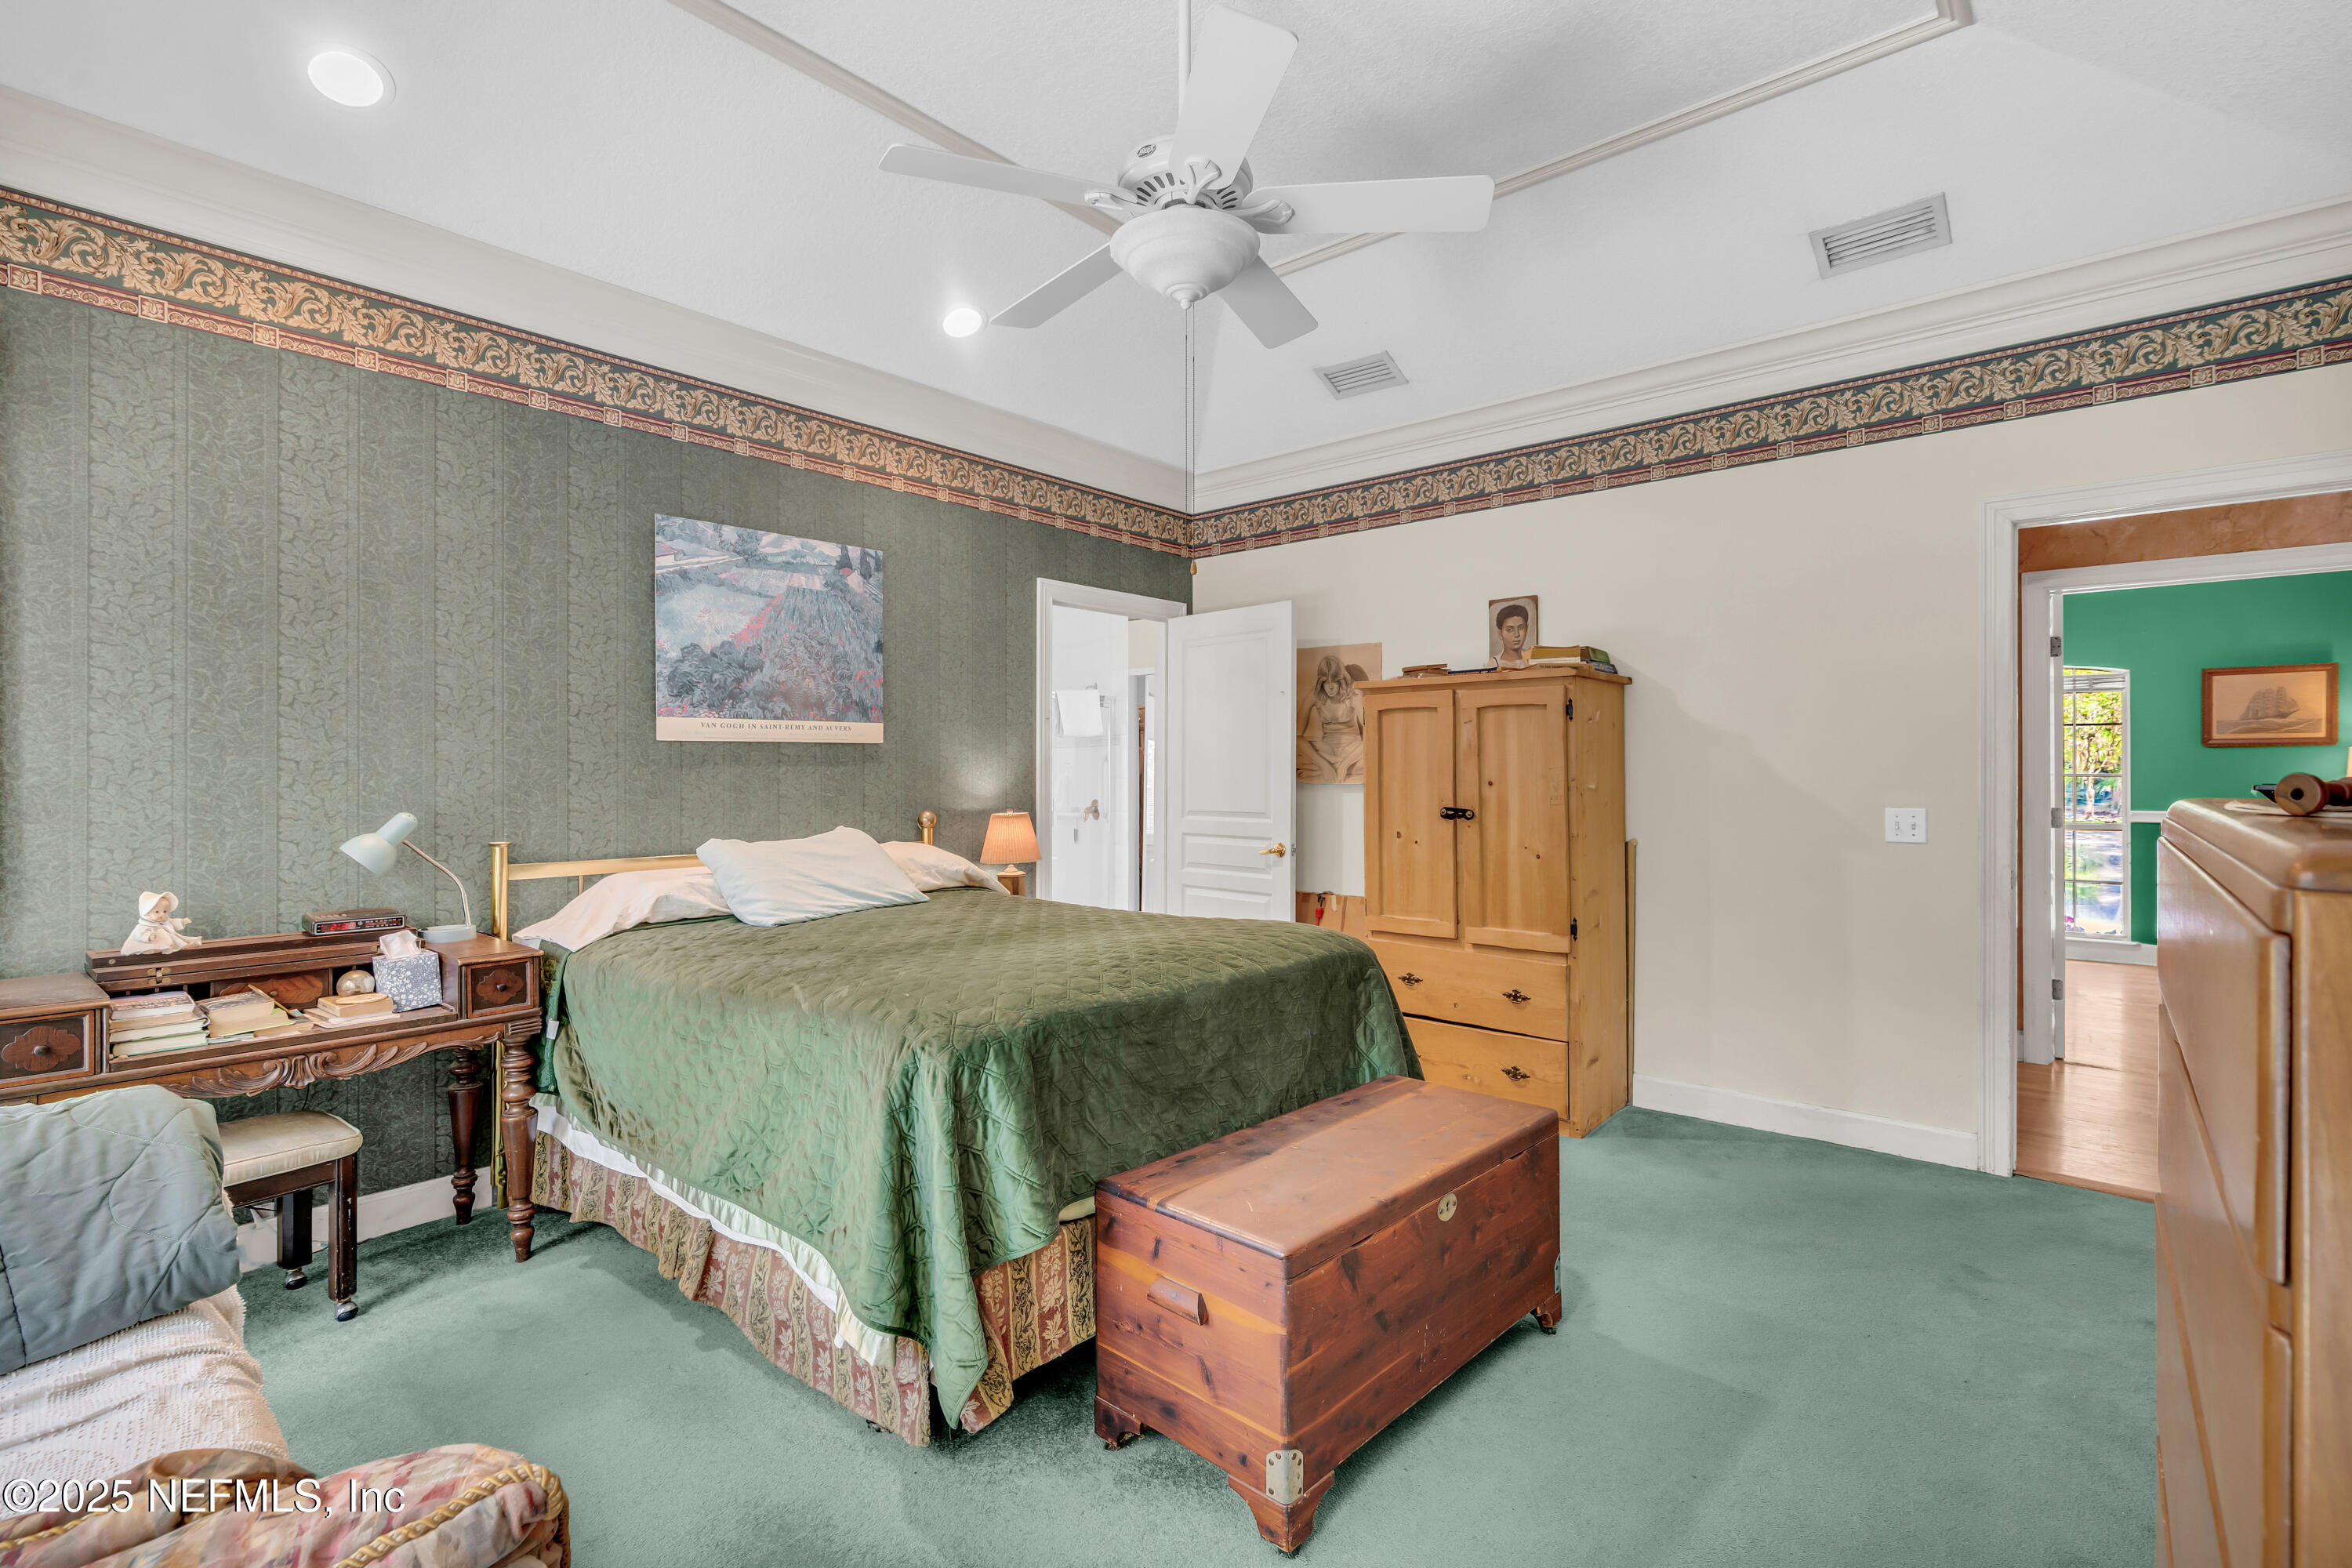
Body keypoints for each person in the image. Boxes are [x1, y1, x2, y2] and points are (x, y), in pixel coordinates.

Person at [1298, 655, 1365, 782]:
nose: (1330, 687)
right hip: (1326, 748)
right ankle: (1330, 767)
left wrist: (1345, 764)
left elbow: (1373, 734)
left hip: (1352, 748)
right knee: (1294, 757)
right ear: (1320, 682)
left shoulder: (1354, 696)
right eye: (1325, 681)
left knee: (1369, 760)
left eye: (1334, 681)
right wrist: (1324, 766)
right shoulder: (1314, 696)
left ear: (1342, 680)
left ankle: (1329, 768)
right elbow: (1296, 737)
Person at [1494, 602, 1532, 668]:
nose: (1517, 634)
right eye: (1509, 630)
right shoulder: (1494, 664)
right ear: (1500, 633)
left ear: (1527, 629)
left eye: (1521, 628)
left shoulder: (1533, 659)